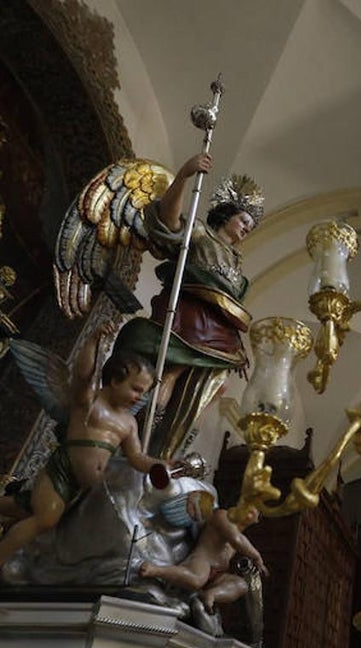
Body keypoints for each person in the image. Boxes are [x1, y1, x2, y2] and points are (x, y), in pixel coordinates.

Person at [0, 323, 168, 594]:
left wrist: (159, 466)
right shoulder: (89, 402)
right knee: (46, 518)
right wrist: (93, 342)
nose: (139, 397)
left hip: (89, 490)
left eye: (144, 392)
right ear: (114, 380)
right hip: (63, 471)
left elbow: (136, 456)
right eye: (136, 389)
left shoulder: (128, 423)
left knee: (28, 509)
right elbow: (81, 375)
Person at [113, 153, 264, 459]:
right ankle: (141, 431)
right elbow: (167, 221)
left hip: (219, 334)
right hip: (188, 320)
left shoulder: (237, 264)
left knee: (214, 389)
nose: (247, 229)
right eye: (244, 221)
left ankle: (175, 445)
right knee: (169, 374)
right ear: (226, 215)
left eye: (250, 226)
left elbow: (232, 307)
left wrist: (239, 348)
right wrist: (184, 174)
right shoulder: (200, 232)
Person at [138, 489, 269, 615]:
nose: (254, 510)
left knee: (241, 585)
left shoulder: (240, 533)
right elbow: (236, 539)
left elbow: (238, 540)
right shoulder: (222, 516)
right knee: (197, 578)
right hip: (202, 562)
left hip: (217, 575)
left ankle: (211, 594)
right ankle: (156, 570)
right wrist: (256, 557)